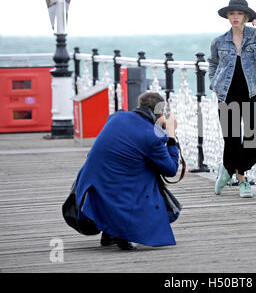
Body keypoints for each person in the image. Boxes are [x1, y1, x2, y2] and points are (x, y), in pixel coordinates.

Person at [74, 92, 179, 250]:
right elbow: (171, 169)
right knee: (171, 212)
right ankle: (126, 232)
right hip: (120, 198)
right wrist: (170, 135)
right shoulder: (151, 135)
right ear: (161, 114)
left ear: (139, 105)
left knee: (130, 166)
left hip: (93, 194)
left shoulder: (116, 117)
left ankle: (109, 230)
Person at [208, 0, 256, 198]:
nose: (235, 17)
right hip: (227, 93)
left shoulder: (254, 36)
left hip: (250, 92)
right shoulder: (219, 41)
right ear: (227, 16)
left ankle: (228, 169)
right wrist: (214, 84)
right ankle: (242, 180)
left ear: (246, 16)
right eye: (232, 13)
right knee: (232, 139)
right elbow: (213, 64)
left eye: (240, 13)